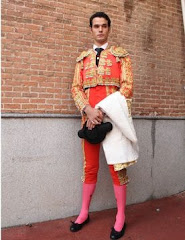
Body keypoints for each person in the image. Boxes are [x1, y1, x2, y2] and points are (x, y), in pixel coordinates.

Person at [70, 12, 136, 239]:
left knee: (117, 168)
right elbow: (76, 88)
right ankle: (84, 212)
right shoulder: (82, 59)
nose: (100, 29)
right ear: (91, 29)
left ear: (109, 29)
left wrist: (102, 111)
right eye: (96, 26)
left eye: (104, 26)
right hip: (88, 119)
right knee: (90, 167)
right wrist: (88, 110)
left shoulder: (121, 56)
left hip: (113, 119)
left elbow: (127, 87)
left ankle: (120, 217)